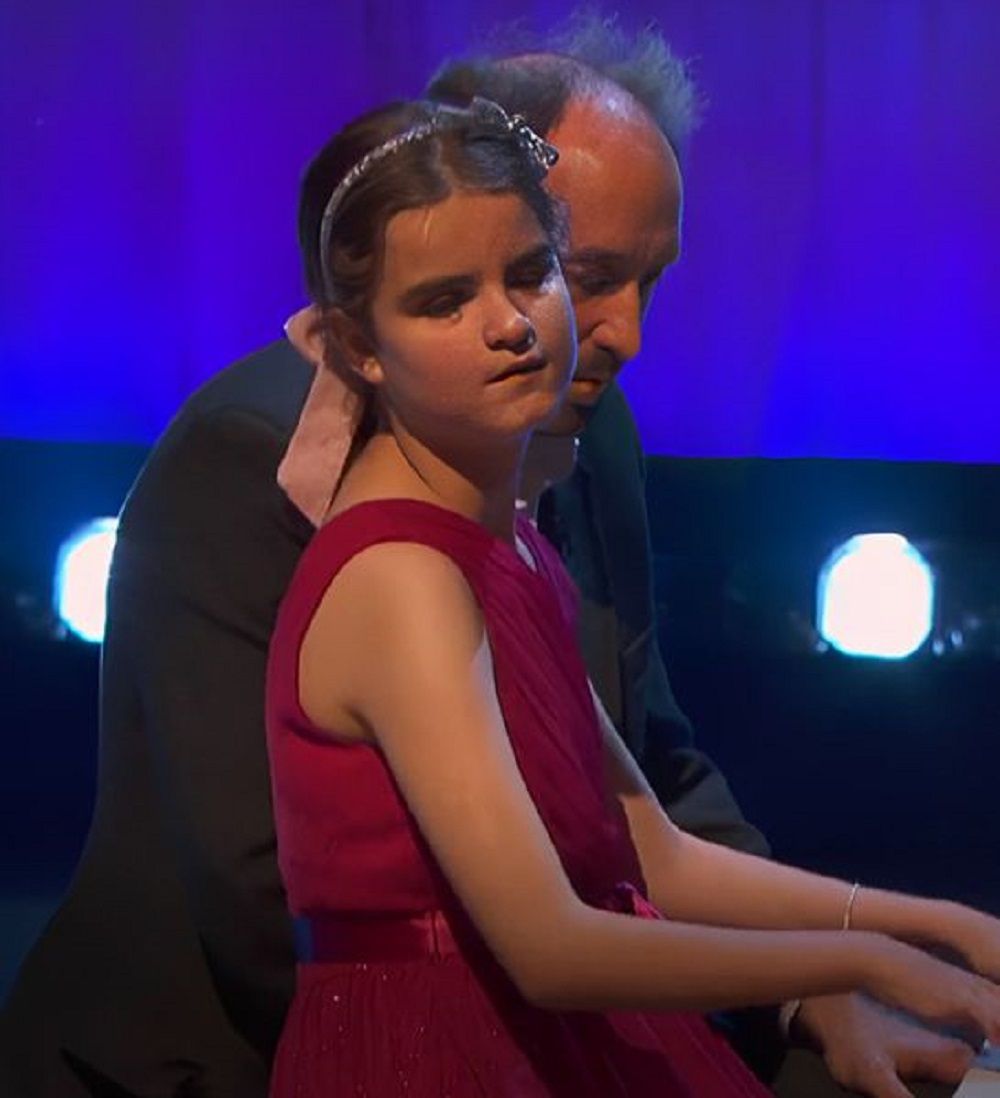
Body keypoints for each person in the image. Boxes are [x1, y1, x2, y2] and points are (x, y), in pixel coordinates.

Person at [0, 17, 984, 1098]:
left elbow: (647, 810)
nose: (613, 333)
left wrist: (865, 957)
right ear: (361, 337)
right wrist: (826, 964)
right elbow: (276, 896)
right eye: (589, 273)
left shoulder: (561, 465)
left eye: (537, 277)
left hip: (569, 991)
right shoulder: (304, 493)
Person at [263, 95, 1000, 1098]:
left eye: (531, 274)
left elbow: (652, 852)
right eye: (444, 301)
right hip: (436, 1055)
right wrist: (862, 959)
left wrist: (932, 925)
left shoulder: (510, 539)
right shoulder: (400, 576)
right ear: (357, 346)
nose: (509, 325)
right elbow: (549, 950)